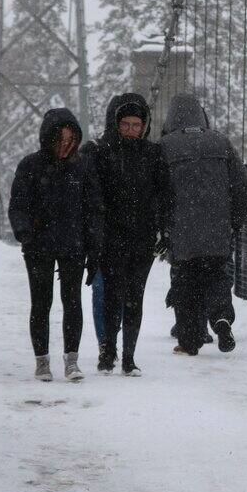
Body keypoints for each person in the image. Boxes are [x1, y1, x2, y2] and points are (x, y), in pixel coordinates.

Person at [8, 108, 102, 382]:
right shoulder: (30, 166)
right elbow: (18, 206)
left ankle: (72, 361)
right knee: (41, 303)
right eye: (59, 140)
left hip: (73, 245)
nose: (65, 146)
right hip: (38, 246)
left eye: (70, 141)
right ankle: (42, 362)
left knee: (72, 302)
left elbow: (94, 209)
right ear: (47, 139)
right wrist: (25, 233)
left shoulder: (83, 167)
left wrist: (93, 247)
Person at [82, 93, 168, 376]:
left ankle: (128, 356)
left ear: (144, 126)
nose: (132, 130)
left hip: (142, 237)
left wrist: (164, 230)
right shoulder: (100, 152)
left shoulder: (154, 155)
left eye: (137, 124)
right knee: (112, 294)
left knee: (135, 296)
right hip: (111, 236)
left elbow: (166, 196)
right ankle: (108, 350)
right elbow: (90, 194)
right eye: (126, 124)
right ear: (116, 123)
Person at [160, 93, 247, 355]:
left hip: (182, 231)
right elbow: (242, 189)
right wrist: (233, 223)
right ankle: (222, 319)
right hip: (218, 230)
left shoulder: (165, 146)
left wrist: (164, 227)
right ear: (201, 115)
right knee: (216, 276)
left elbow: (159, 191)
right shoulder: (221, 142)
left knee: (185, 281)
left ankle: (190, 341)